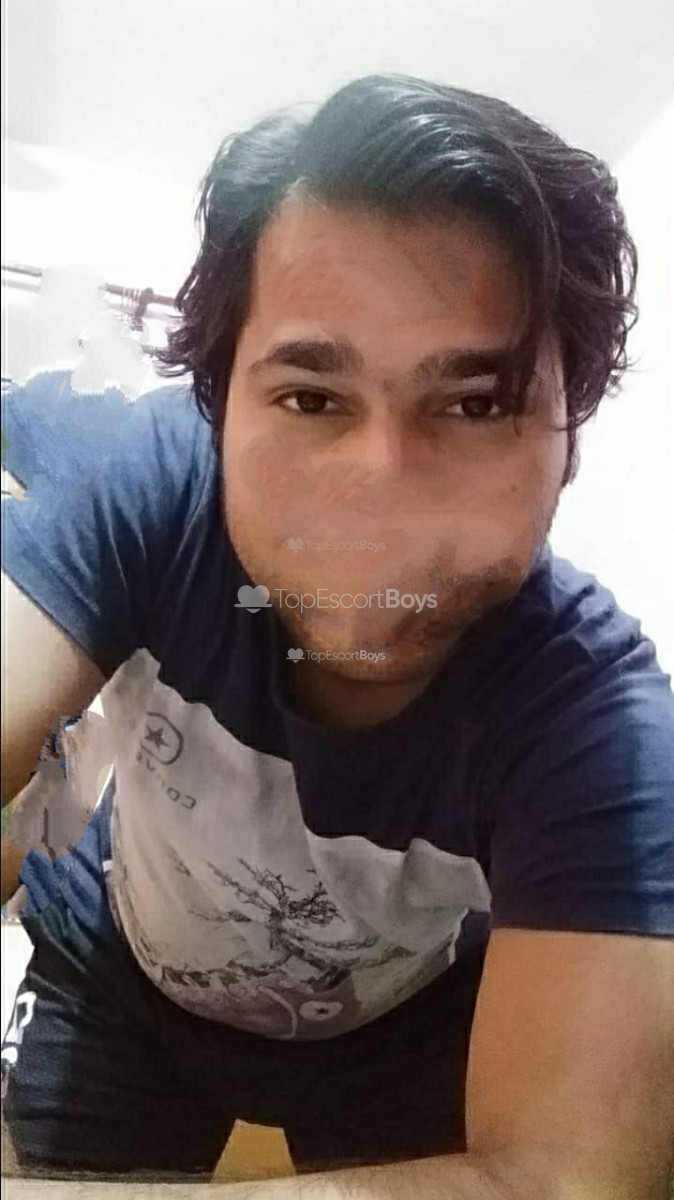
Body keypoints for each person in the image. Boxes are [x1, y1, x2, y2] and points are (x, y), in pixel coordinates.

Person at [2, 73, 673, 1198]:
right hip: (118, 971)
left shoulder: (596, 725)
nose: (381, 488)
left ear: (570, 432)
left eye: (476, 402)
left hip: (394, 1037)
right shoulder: (144, 489)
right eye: (312, 398)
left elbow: (564, 1178)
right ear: (219, 408)